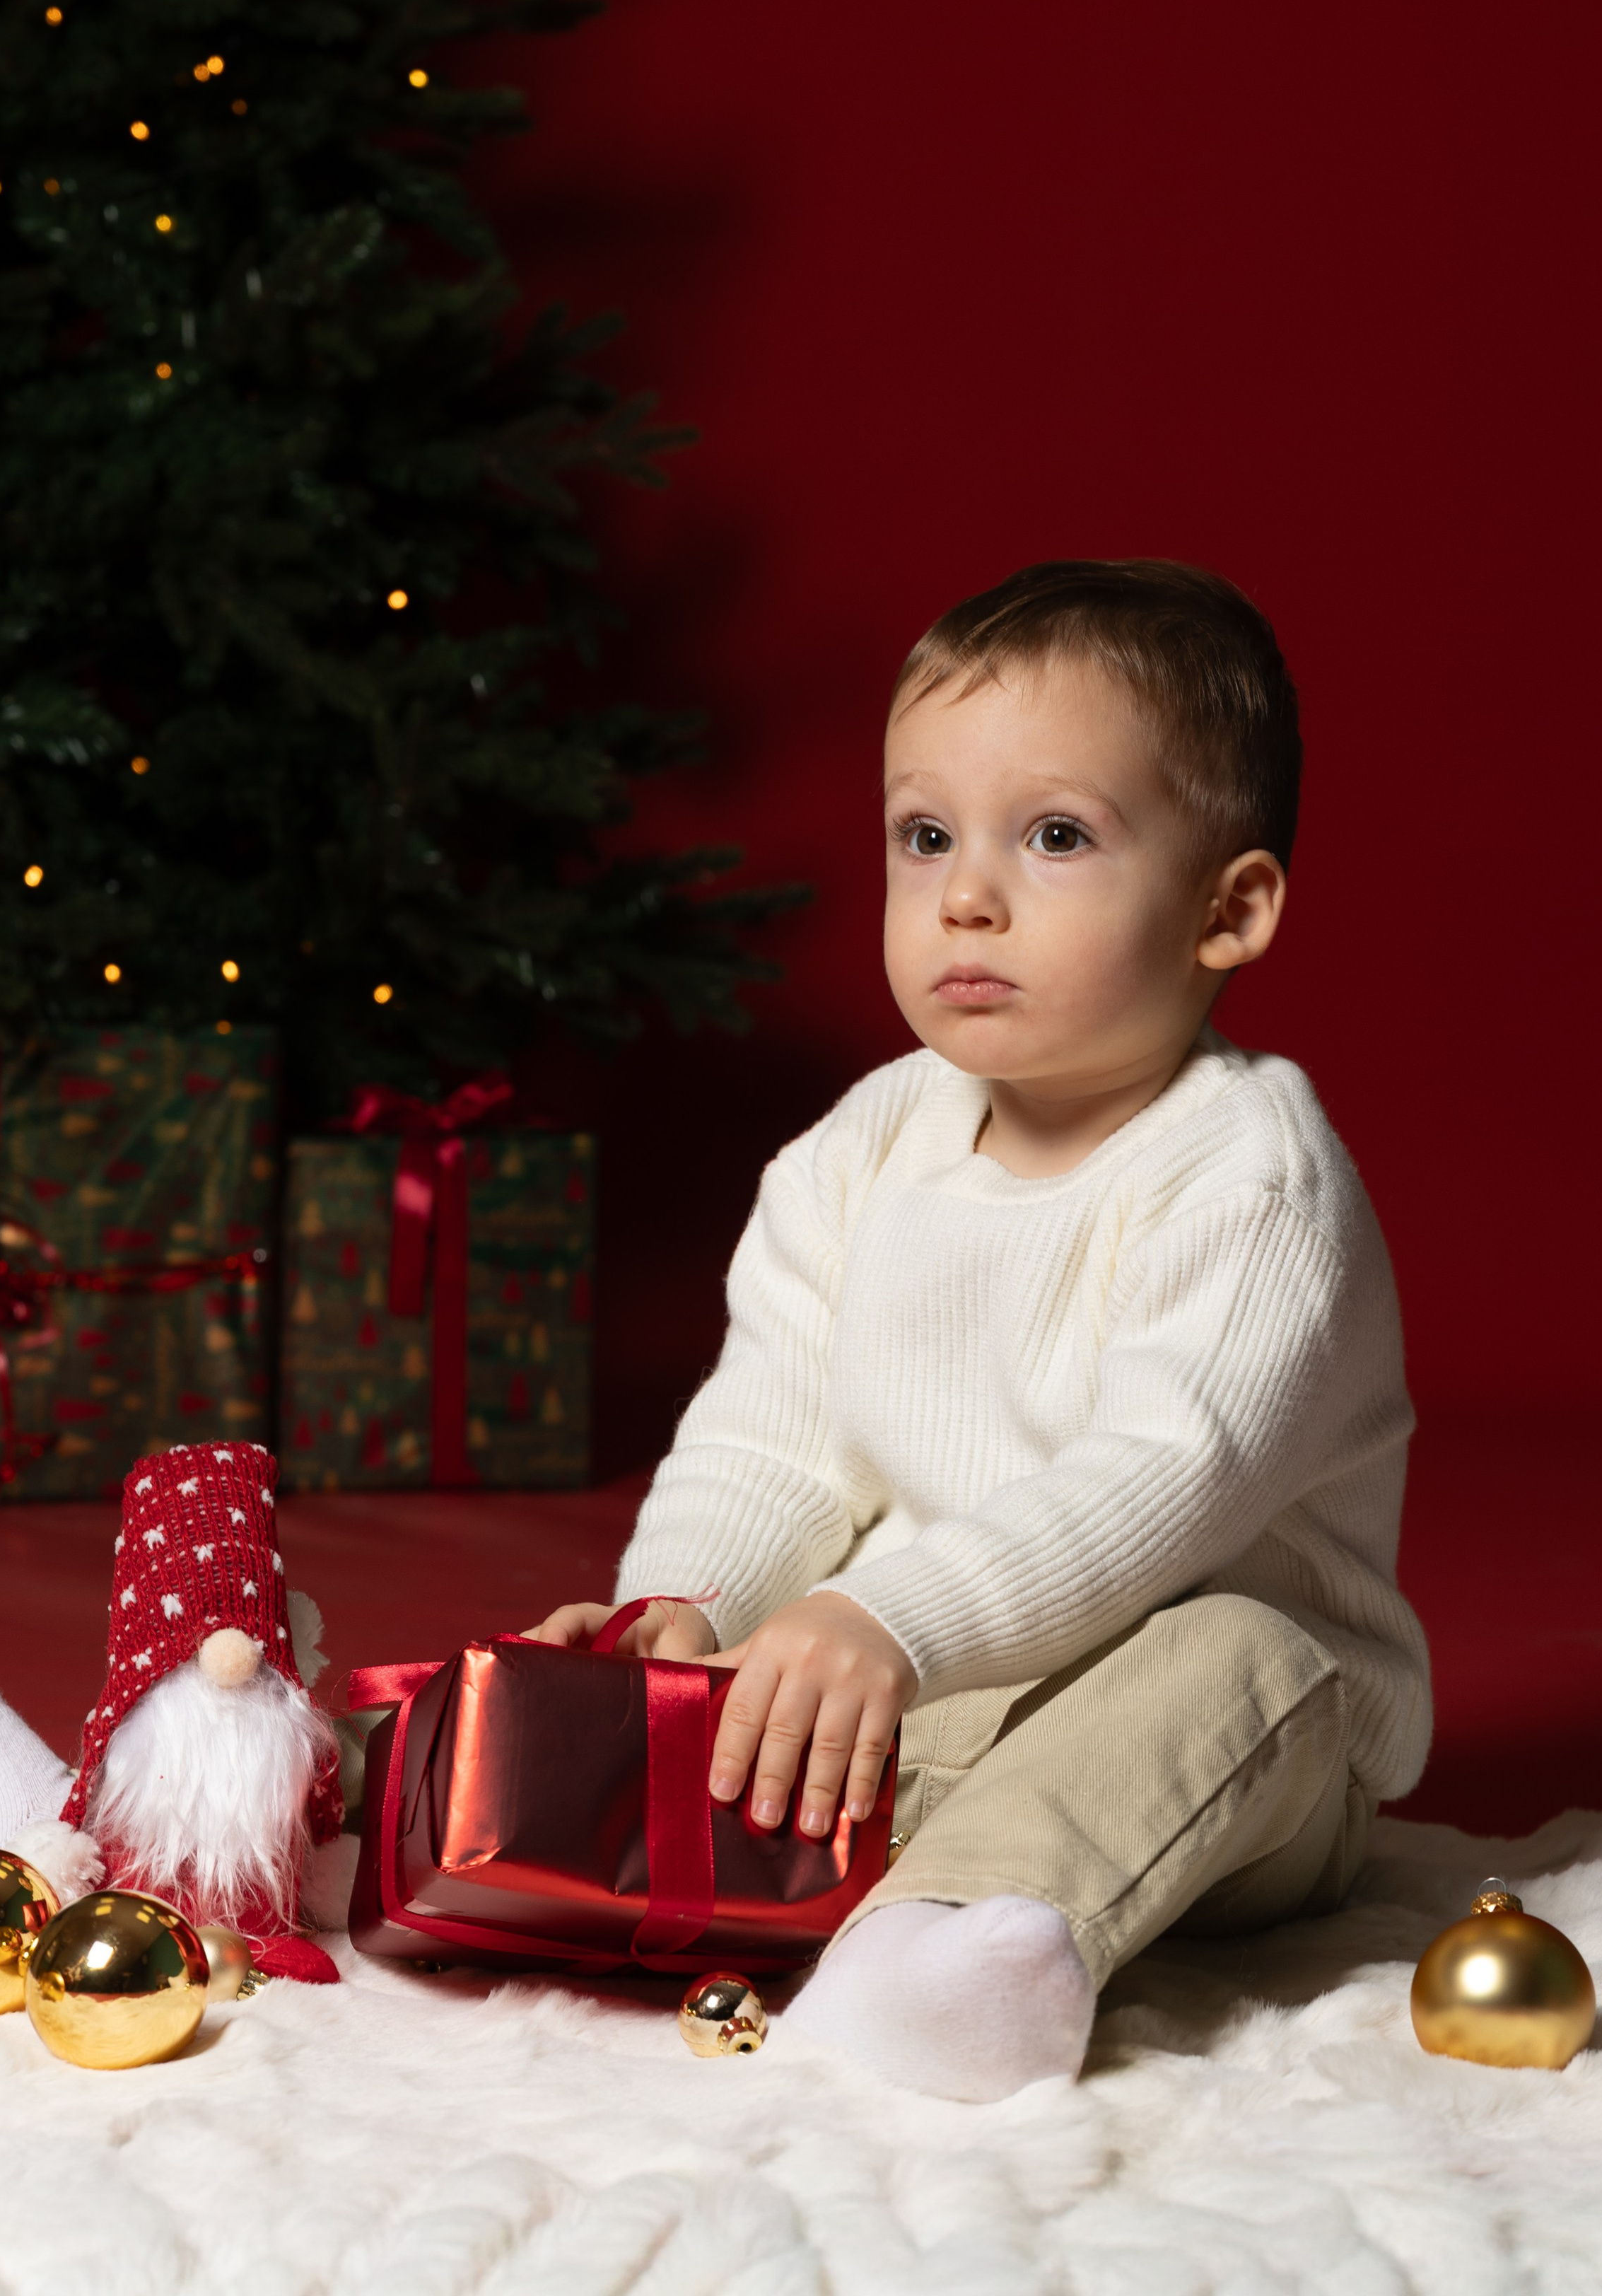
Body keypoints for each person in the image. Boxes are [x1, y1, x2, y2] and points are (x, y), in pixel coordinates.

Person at [527, 559, 1430, 2101]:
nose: (965, 893)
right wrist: (677, 1616)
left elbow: (1148, 1487)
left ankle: (953, 1949)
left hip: (1216, 1752)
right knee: (613, 1689)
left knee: (1237, 1653)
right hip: (913, 1691)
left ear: (1228, 910)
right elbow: (772, 1435)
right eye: (924, 834)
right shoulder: (860, 1149)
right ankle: (262, 1807)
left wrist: (894, 1624)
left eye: (1054, 837)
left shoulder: (1250, 1176)